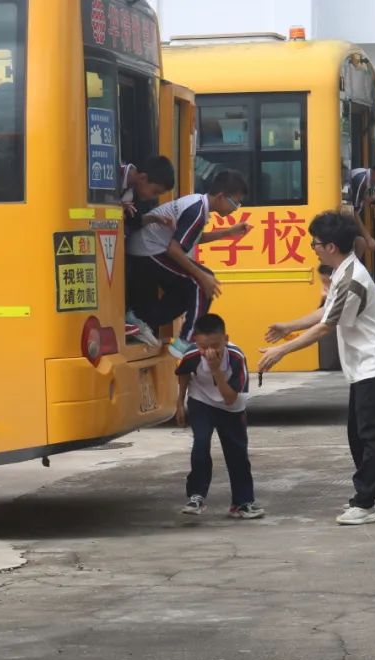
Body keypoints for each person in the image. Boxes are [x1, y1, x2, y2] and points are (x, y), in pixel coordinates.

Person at [260, 212, 375, 526]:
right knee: (357, 433)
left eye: (317, 243)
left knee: (367, 434)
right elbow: (324, 313)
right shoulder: (343, 270)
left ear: (332, 246)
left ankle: (365, 503)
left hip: (374, 363)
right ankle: (374, 492)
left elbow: (325, 327)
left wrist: (282, 350)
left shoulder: (351, 278)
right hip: (366, 364)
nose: (313, 247)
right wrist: (287, 326)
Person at [126, 170, 251, 358]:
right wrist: (202, 277)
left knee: (187, 294)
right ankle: (187, 341)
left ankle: (140, 319)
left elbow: (191, 239)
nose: (235, 208)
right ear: (220, 197)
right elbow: (174, 250)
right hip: (146, 251)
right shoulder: (197, 211)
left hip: (148, 249)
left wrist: (228, 232)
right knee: (201, 283)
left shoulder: (199, 204)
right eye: (235, 203)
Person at [175, 314, 264, 519]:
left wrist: (216, 370)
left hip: (231, 407)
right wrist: (179, 401)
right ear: (195, 341)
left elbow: (230, 398)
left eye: (215, 346)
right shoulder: (192, 354)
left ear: (226, 338)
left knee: (237, 453)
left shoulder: (236, 357)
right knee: (200, 443)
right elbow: (183, 373)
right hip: (201, 400)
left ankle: (242, 503)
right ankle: (196, 495)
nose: (208, 352)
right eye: (203, 347)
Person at [121, 157, 177, 348]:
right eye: (154, 192)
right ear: (143, 178)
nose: (153, 197)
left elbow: (134, 221)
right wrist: (116, 205)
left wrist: (153, 218)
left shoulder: (135, 193)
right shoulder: (113, 174)